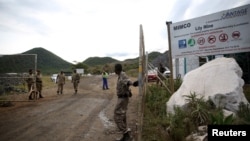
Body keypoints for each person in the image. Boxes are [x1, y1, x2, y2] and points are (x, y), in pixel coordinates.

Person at [114, 63, 138, 141]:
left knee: (117, 115)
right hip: (122, 98)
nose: (114, 71)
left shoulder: (122, 75)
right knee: (123, 115)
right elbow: (125, 82)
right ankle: (126, 136)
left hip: (123, 99)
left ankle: (125, 133)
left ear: (117, 69)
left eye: (114, 69)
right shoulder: (120, 75)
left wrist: (133, 84)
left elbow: (127, 81)